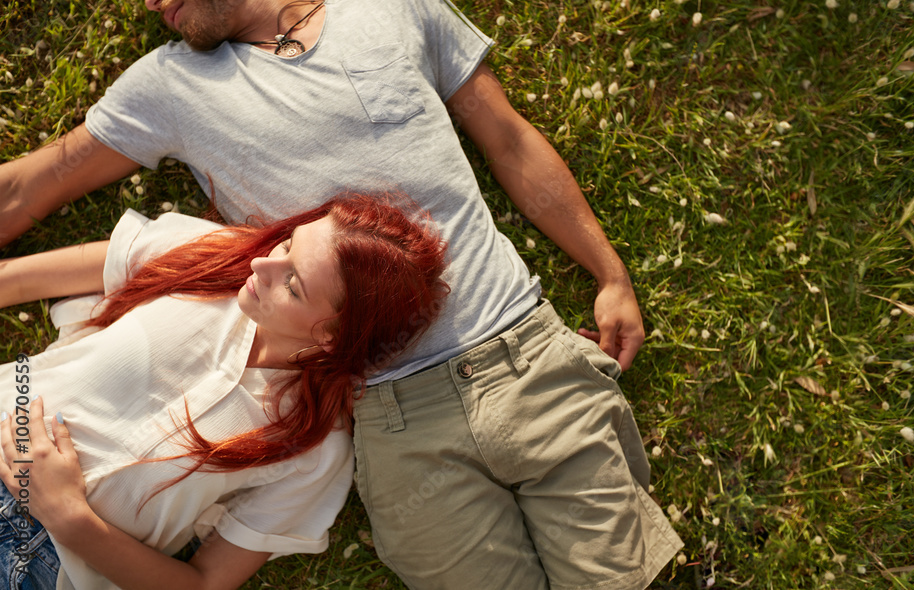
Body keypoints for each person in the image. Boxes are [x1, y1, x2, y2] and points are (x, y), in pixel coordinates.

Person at [0, 0, 684, 587]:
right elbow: (26, 187)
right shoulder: (169, 86)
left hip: (520, 351)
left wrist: (608, 272)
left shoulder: (392, 7)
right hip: (389, 410)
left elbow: (505, 137)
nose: (148, 3)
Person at [0, 192, 450, 590]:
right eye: (288, 243)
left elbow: (206, 581)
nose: (261, 264)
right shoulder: (214, 259)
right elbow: (24, 278)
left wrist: (70, 519)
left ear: (333, 335)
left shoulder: (312, 449)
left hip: (38, 561)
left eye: (292, 283)